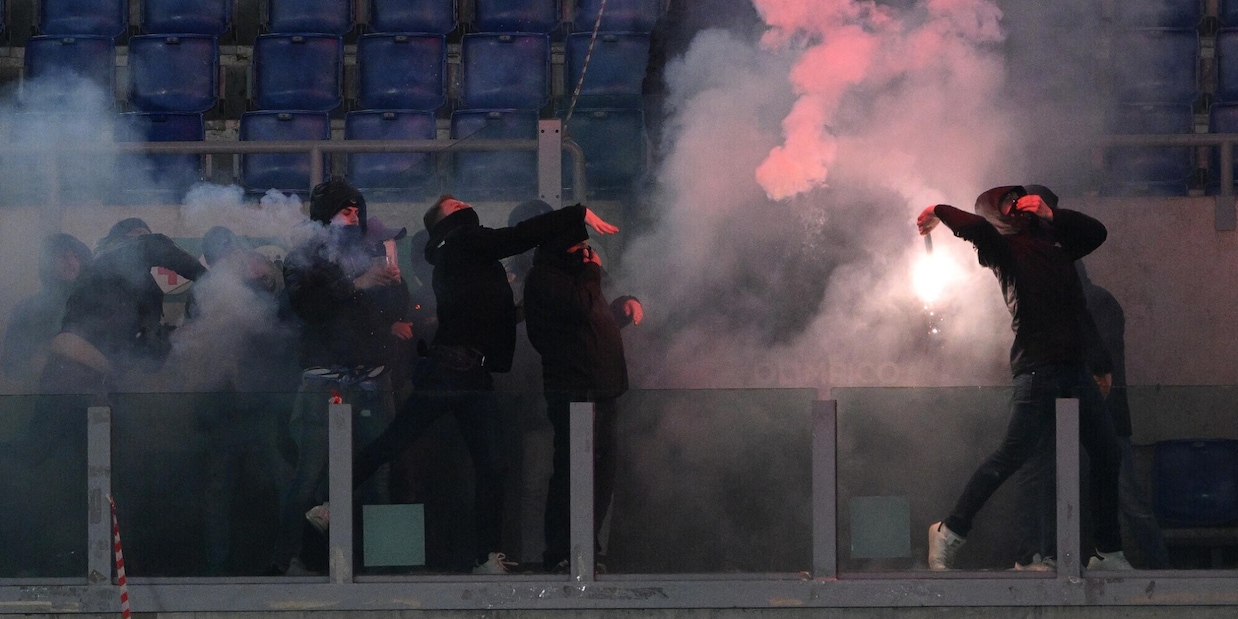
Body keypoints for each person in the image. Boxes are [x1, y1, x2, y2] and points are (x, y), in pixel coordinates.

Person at [345, 194, 618, 574]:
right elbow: (518, 236)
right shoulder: (462, 242)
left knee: (487, 462)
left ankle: (486, 556)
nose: (463, 204)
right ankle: (329, 500)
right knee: (411, 445)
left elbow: (492, 315)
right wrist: (576, 214)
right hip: (453, 369)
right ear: (444, 221)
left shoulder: (463, 258)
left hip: (468, 371)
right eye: (454, 204)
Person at [917, 185, 1132, 571]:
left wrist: (1052, 216)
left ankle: (1107, 552)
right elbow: (976, 228)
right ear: (999, 215)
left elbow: (1096, 233)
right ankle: (950, 530)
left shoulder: (1058, 246)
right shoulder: (1004, 249)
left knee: (1106, 452)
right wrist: (937, 208)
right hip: (1037, 369)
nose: (1021, 206)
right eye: (1010, 203)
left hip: (1072, 370)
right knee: (1013, 455)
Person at [269, 179, 407, 575]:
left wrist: (395, 286)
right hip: (324, 378)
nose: (353, 218)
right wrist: (357, 283)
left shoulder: (371, 250)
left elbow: (392, 310)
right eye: (345, 211)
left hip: (372, 377)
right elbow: (306, 306)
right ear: (325, 215)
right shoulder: (303, 255)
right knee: (309, 475)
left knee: (380, 472)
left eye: (356, 211)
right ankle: (289, 560)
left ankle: (386, 563)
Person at [179, 226, 298, 575]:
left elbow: (278, 329)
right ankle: (230, 565)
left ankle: (284, 559)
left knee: (278, 480)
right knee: (225, 488)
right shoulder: (205, 292)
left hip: (256, 403)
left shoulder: (256, 284)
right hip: (226, 406)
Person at [523, 231, 643, 573]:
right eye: (579, 245)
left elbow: (593, 321)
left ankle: (588, 547)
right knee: (571, 475)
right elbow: (579, 310)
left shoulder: (578, 277)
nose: (587, 251)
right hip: (575, 391)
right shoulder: (547, 278)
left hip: (601, 389)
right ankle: (562, 551)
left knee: (601, 477)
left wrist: (621, 307)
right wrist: (592, 274)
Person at [1077, 261, 1170, 568]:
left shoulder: (1097, 302)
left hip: (1103, 417)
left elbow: (1105, 358)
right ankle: (1154, 568)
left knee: (1126, 497)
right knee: (1114, 497)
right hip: (1093, 416)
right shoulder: (1096, 301)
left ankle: (1160, 568)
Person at [0, 233, 92, 388]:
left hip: (101, 399)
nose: (71, 263)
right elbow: (13, 366)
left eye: (75, 256)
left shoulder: (96, 303)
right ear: (48, 263)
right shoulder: (28, 309)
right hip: (50, 398)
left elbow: (120, 358)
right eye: (63, 256)